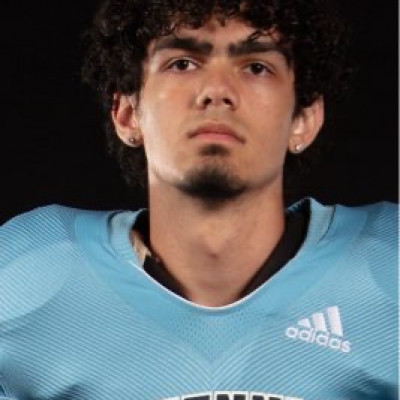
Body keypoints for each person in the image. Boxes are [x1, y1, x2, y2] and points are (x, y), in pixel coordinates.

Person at [0, 0, 397, 399]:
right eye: (183, 63)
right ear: (127, 114)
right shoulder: (29, 275)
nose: (217, 91)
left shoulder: (387, 271)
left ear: (304, 119)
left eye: (256, 67)